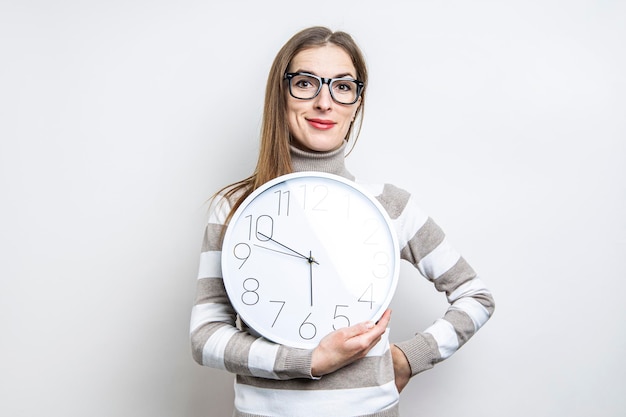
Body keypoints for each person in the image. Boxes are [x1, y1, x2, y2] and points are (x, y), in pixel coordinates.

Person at [190, 26, 495, 417]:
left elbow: (476, 295)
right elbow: (204, 336)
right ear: (279, 95)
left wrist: (406, 359)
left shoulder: (389, 205)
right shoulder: (235, 208)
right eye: (305, 83)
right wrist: (308, 362)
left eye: (343, 87)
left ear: (356, 103)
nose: (324, 102)